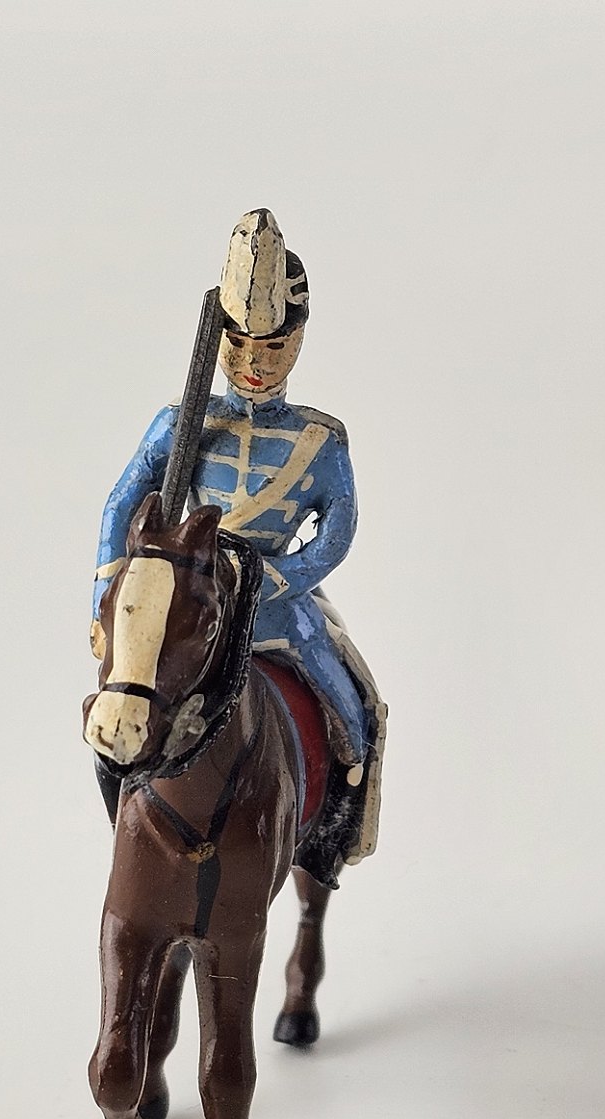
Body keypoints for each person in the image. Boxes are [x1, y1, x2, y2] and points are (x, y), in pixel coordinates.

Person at [93, 208, 382, 861]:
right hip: (188, 604)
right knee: (118, 709)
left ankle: (334, 836)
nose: (254, 362)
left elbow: (336, 530)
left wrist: (280, 579)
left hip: (278, 610)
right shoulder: (179, 424)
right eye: (241, 343)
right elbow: (121, 504)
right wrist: (106, 597)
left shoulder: (320, 440)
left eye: (273, 347)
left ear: (297, 340)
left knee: (357, 711)